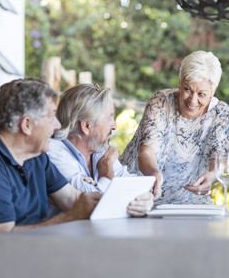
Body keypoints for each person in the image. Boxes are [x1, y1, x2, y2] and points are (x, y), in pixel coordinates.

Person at [0, 79, 151, 278]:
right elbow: (2, 242)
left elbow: (76, 200)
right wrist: (71, 216)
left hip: (29, 261)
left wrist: (134, 200)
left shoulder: (35, 158)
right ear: (27, 125)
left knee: (112, 272)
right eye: (51, 116)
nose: (58, 126)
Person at [119, 50, 229, 204]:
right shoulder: (160, 102)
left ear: (214, 90)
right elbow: (146, 154)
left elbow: (219, 165)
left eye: (201, 94)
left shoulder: (221, 114)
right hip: (141, 194)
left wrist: (212, 178)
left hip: (188, 199)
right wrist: (154, 173)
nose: (192, 101)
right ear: (179, 82)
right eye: (187, 89)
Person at [47, 83, 153, 215]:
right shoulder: (53, 152)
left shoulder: (99, 150)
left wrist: (144, 199)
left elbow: (134, 186)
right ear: (86, 126)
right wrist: (106, 170)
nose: (114, 126)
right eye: (110, 117)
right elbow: (96, 205)